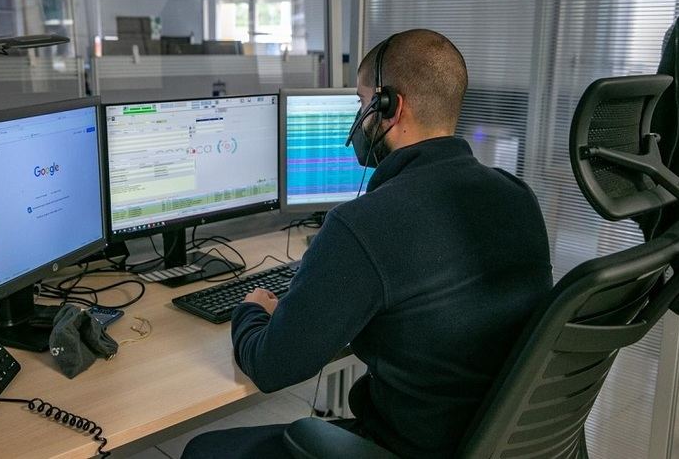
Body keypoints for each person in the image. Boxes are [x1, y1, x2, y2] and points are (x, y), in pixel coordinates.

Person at [182, 29, 552, 458]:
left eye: (361, 103)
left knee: (203, 450)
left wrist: (251, 310)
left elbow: (271, 366)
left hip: (406, 447)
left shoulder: (364, 224)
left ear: (389, 106)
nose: (358, 118)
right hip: (488, 441)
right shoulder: (517, 196)